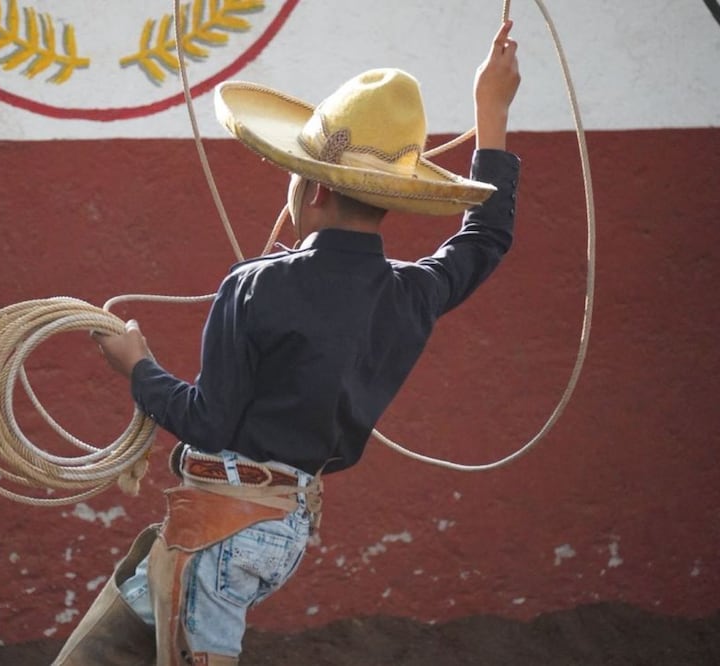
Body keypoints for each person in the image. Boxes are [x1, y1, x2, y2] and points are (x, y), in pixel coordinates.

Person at [55, 20, 522, 666]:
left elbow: (207, 420)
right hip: (282, 529)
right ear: (389, 202)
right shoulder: (409, 293)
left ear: (314, 185)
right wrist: (490, 113)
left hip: (222, 528)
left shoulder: (253, 287)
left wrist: (135, 367)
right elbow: (484, 239)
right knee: (116, 638)